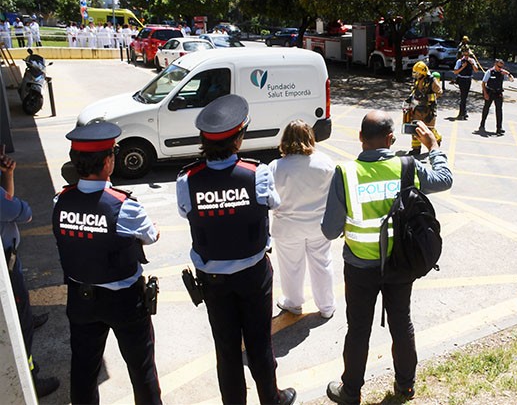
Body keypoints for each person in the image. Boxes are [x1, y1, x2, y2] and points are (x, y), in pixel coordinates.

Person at [322, 110, 453, 404]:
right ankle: (405, 387)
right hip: (400, 263)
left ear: (360, 138)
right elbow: (445, 179)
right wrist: (434, 147)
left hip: (359, 267)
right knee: (401, 322)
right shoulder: (408, 166)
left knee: (358, 329)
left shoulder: (345, 173)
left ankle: (351, 391)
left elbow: (330, 231)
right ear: (392, 139)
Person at [176, 95, 296, 405]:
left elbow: (184, 211)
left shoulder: (187, 179)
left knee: (226, 348)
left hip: (213, 280)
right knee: (259, 343)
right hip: (253, 276)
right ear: (239, 138)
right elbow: (274, 204)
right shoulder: (257, 173)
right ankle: (271, 398)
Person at [52, 122, 162, 404]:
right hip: (124, 301)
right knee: (141, 369)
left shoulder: (59, 201)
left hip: (80, 299)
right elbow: (150, 236)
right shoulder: (124, 205)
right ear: (109, 161)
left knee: (84, 370)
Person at [1, 152, 60, 398]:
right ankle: (30, 379)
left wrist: (8, 176)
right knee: (22, 327)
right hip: (6, 268)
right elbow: (23, 212)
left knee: (23, 311)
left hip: (9, 262)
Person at [268, 120, 336, 319]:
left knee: (291, 266)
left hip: (287, 226)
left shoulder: (275, 166)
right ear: (310, 137)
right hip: (318, 224)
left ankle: (294, 302)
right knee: (322, 264)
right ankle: (326, 306)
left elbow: (270, 199)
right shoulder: (325, 162)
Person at [405, 61, 442, 155]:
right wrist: (410, 99)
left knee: (429, 129)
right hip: (417, 108)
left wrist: (428, 98)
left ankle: (437, 140)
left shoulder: (431, 81)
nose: (415, 75)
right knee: (415, 128)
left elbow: (439, 92)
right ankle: (416, 148)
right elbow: (415, 91)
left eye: (417, 73)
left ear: (423, 73)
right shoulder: (417, 80)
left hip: (428, 109)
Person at [479, 59, 514, 136]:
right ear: (495, 64)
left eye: (501, 67)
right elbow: (483, 83)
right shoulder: (489, 72)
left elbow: (512, 80)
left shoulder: (502, 73)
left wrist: (508, 74)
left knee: (499, 111)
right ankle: (482, 124)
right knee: (486, 108)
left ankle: (499, 128)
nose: (500, 68)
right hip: (490, 92)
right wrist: (485, 93)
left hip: (498, 93)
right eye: (498, 66)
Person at [453, 51, 478, 120]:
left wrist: (472, 64)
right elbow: (455, 72)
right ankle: (462, 113)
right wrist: (463, 67)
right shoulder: (459, 61)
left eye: (468, 55)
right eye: (465, 55)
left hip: (468, 79)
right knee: (463, 96)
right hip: (461, 79)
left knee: (465, 96)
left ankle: (464, 112)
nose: (466, 57)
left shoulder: (472, 61)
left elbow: (476, 70)